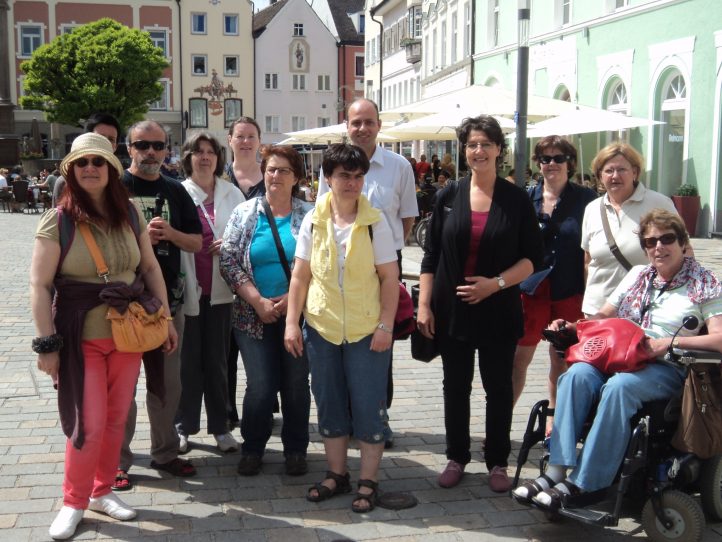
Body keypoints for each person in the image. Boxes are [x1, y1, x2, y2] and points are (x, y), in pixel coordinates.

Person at [513, 209, 722, 508]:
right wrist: (573, 326)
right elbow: (604, 317)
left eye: (667, 239)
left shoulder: (705, 282)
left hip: (665, 365)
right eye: (650, 242)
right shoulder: (639, 275)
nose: (658, 247)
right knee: (575, 375)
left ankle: (585, 481)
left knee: (619, 388)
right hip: (620, 355)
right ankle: (556, 471)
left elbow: (719, 338)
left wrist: (669, 342)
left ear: (683, 242)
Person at [30, 133, 177, 539]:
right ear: (72, 172)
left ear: (111, 169)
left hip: (127, 334)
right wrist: (46, 344)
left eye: (97, 162)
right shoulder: (58, 219)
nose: (90, 168)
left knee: (115, 418)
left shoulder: (129, 213)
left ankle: (102, 490)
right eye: (82, 163)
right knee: (88, 422)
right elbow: (39, 286)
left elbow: (149, 269)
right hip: (80, 337)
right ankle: (74, 501)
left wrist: (165, 317)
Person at [417, 115, 543, 492]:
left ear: (499, 150)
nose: (479, 150)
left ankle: (497, 462)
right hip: (452, 310)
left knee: (498, 388)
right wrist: (424, 305)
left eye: (486, 144)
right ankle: (456, 456)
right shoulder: (448, 196)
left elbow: (532, 259)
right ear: (464, 150)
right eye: (472, 144)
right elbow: (430, 255)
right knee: (455, 386)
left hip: (498, 309)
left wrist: (496, 284)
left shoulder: (516, 199)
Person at [284, 143, 399, 513]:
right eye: (343, 176)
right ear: (328, 178)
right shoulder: (313, 220)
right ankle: (337, 474)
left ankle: (369, 481)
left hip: (368, 330)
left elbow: (389, 278)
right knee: (329, 403)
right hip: (322, 327)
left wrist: (386, 325)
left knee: (368, 406)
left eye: (358, 175)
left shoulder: (375, 221)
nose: (352, 182)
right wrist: (291, 323)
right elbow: (300, 276)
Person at [317, 98, 418, 448]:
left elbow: (407, 216)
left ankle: (377, 418)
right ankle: (346, 417)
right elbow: (322, 211)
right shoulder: (331, 166)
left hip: (384, 266)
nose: (362, 128)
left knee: (379, 342)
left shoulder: (398, 165)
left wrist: (385, 253)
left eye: (368, 122)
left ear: (379, 125)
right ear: (347, 126)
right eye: (356, 122)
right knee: (342, 342)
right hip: (340, 267)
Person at [117, 120, 203, 489]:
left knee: (167, 384)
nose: (150, 152)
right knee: (120, 386)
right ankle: (116, 460)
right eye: (142, 145)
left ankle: (165, 452)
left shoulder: (176, 191)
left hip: (168, 303)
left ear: (167, 150)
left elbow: (198, 242)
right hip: (119, 305)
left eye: (157, 145)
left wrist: (170, 234)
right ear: (128, 148)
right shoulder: (114, 188)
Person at [220, 145, 313, 476]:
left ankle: (296, 449)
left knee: (296, 383)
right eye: (271, 169)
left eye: (284, 170)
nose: (275, 176)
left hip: (298, 316)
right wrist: (257, 300)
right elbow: (228, 259)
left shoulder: (310, 216)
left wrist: (292, 298)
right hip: (251, 316)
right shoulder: (245, 213)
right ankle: (254, 447)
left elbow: (322, 264)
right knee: (260, 384)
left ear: (296, 177)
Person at [512, 137, 598, 414]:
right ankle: (501, 423)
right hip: (531, 290)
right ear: (538, 164)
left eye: (558, 158)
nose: (552, 164)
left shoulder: (586, 200)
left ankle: (554, 421)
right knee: (517, 358)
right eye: (545, 159)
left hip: (569, 289)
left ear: (569, 163)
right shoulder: (525, 198)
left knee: (562, 360)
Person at [175, 132, 244, 453]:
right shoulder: (178, 193)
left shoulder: (233, 194)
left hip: (222, 293)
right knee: (187, 363)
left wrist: (228, 245)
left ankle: (221, 427)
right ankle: (183, 426)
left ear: (218, 158)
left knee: (217, 362)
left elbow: (248, 237)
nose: (205, 157)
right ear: (188, 157)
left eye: (210, 152)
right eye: (198, 152)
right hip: (188, 289)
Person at [581, 143, 678, 317]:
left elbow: (683, 251)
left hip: (645, 309)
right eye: (609, 170)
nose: (615, 176)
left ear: (634, 172)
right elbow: (588, 261)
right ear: (600, 176)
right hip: (597, 311)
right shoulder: (592, 209)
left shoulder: (658, 203)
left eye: (622, 170)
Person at [224, 116, 266, 429]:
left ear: (259, 142)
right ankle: (226, 409)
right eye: (240, 136)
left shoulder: (272, 176)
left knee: (261, 352)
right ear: (230, 140)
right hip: (222, 280)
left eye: (251, 136)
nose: (246, 142)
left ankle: (265, 403)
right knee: (225, 353)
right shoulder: (219, 177)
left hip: (264, 281)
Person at [53, 113, 122, 207]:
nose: (105, 142)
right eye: (81, 162)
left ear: (116, 146)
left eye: (111, 139)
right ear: (87, 139)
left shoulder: (121, 180)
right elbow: (59, 217)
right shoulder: (64, 182)